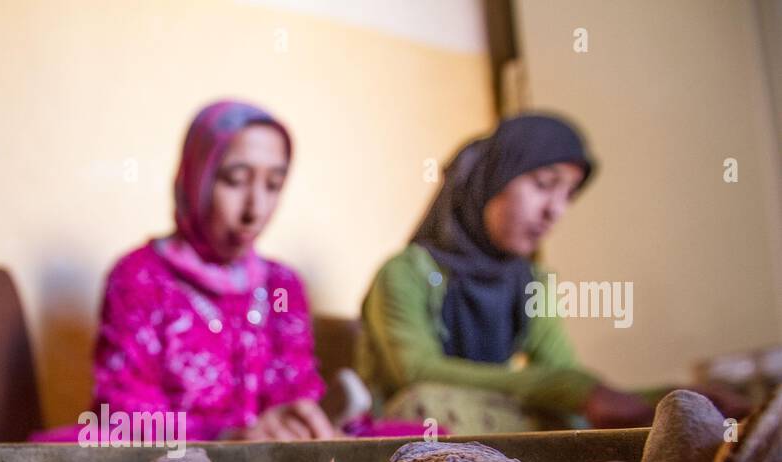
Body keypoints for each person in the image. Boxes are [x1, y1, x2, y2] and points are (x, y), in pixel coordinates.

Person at [357, 113, 748, 433]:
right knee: (428, 404)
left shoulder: (534, 282)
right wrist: (572, 391)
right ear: (490, 180)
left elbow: (564, 375)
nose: (556, 211)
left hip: (490, 420)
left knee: (569, 415)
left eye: (568, 195)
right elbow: (415, 371)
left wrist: (672, 399)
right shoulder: (405, 272)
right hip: (411, 427)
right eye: (545, 185)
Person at [90, 100, 335, 442]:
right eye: (235, 180)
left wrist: (303, 423)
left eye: (274, 185)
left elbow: (294, 390)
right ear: (196, 177)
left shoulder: (282, 285)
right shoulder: (139, 278)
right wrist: (231, 439)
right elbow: (124, 419)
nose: (256, 209)